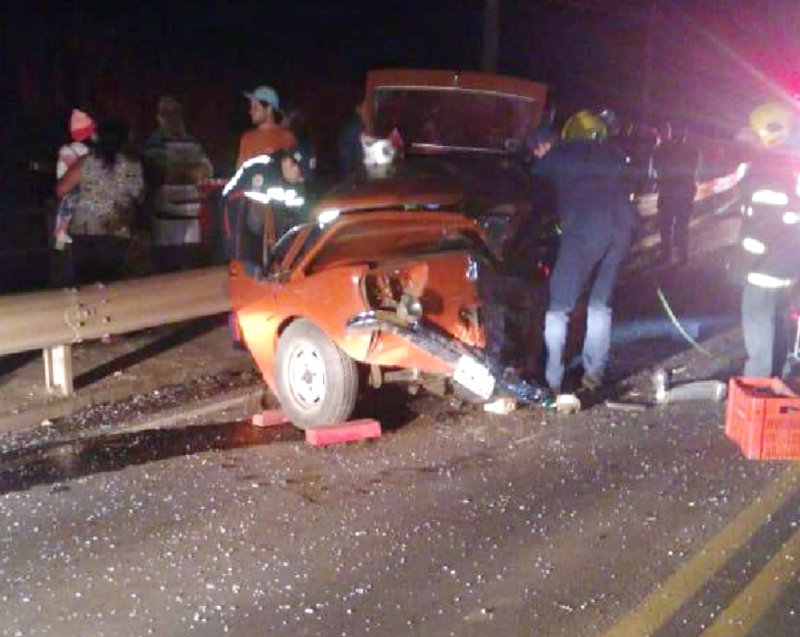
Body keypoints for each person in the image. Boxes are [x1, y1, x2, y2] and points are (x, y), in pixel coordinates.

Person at [532, 112, 639, 395]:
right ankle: (594, 374)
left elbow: (531, 181)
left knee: (558, 308)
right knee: (600, 304)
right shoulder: (614, 155)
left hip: (585, 231)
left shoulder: (561, 154)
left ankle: (551, 378)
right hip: (622, 229)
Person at [736, 102, 800, 377]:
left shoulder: (770, 168)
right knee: (780, 317)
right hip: (790, 262)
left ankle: (758, 381)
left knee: (758, 317)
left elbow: (764, 224)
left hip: (767, 264)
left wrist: (743, 260)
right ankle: (781, 376)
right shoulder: (791, 163)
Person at [56, 119, 144, 285]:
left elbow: (61, 189)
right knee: (111, 284)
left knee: (86, 284)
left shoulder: (85, 162)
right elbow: (138, 197)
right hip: (117, 231)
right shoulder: (132, 165)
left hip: (85, 231)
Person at [142, 96, 213, 273]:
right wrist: (190, 171)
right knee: (167, 273)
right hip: (166, 220)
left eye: (176, 113)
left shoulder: (192, 142)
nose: (173, 118)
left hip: (191, 217)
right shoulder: (154, 143)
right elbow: (159, 173)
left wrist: (186, 171)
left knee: (191, 273)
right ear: (159, 117)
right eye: (168, 114)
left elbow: (206, 171)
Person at [222, 144, 315, 276]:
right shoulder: (259, 168)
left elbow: (301, 216)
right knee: (248, 206)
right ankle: (246, 267)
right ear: (288, 162)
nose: (301, 180)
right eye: (300, 174)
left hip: (274, 228)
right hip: (244, 225)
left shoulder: (297, 186)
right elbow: (229, 197)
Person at [653, 121, 699, 265]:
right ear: (685, 134)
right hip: (683, 193)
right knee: (682, 225)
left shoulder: (662, 149)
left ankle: (666, 255)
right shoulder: (693, 150)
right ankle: (681, 255)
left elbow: (657, 168)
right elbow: (693, 170)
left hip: (668, 192)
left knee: (666, 225)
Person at [53, 109, 96, 251]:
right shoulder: (86, 153)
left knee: (65, 209)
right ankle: (60, 235)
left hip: (74, 194)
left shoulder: (66, 150)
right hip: (78, 193)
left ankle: (60, 235)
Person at [237, 85, 296, 168]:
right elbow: (240, 173)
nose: (250, 111)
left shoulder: (286, 137)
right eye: (251, 107)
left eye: (255, 107)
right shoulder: (246, 138)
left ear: (269, 109)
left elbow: (293, 173)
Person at [338, 98, 366, 176]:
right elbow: (355, 146)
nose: (366, 111)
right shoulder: (355, 125)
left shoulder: (356, 124)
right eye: (364, 108)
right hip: (350, 167)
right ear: (358, 109)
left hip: (349, 165)